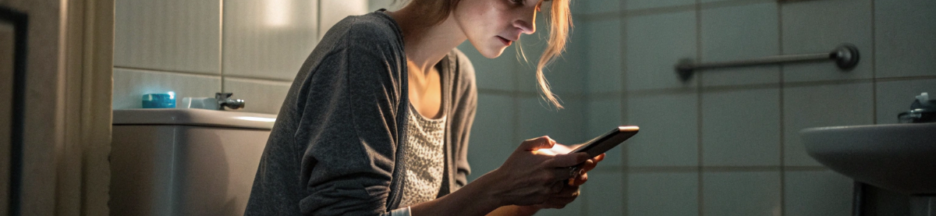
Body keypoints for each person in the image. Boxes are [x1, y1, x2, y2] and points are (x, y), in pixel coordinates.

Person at [244, 0, 605, 215]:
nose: (528, 24)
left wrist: (528, 195)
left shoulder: (456, 77)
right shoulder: (364, 47)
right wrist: (498, 187)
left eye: (537, 5)